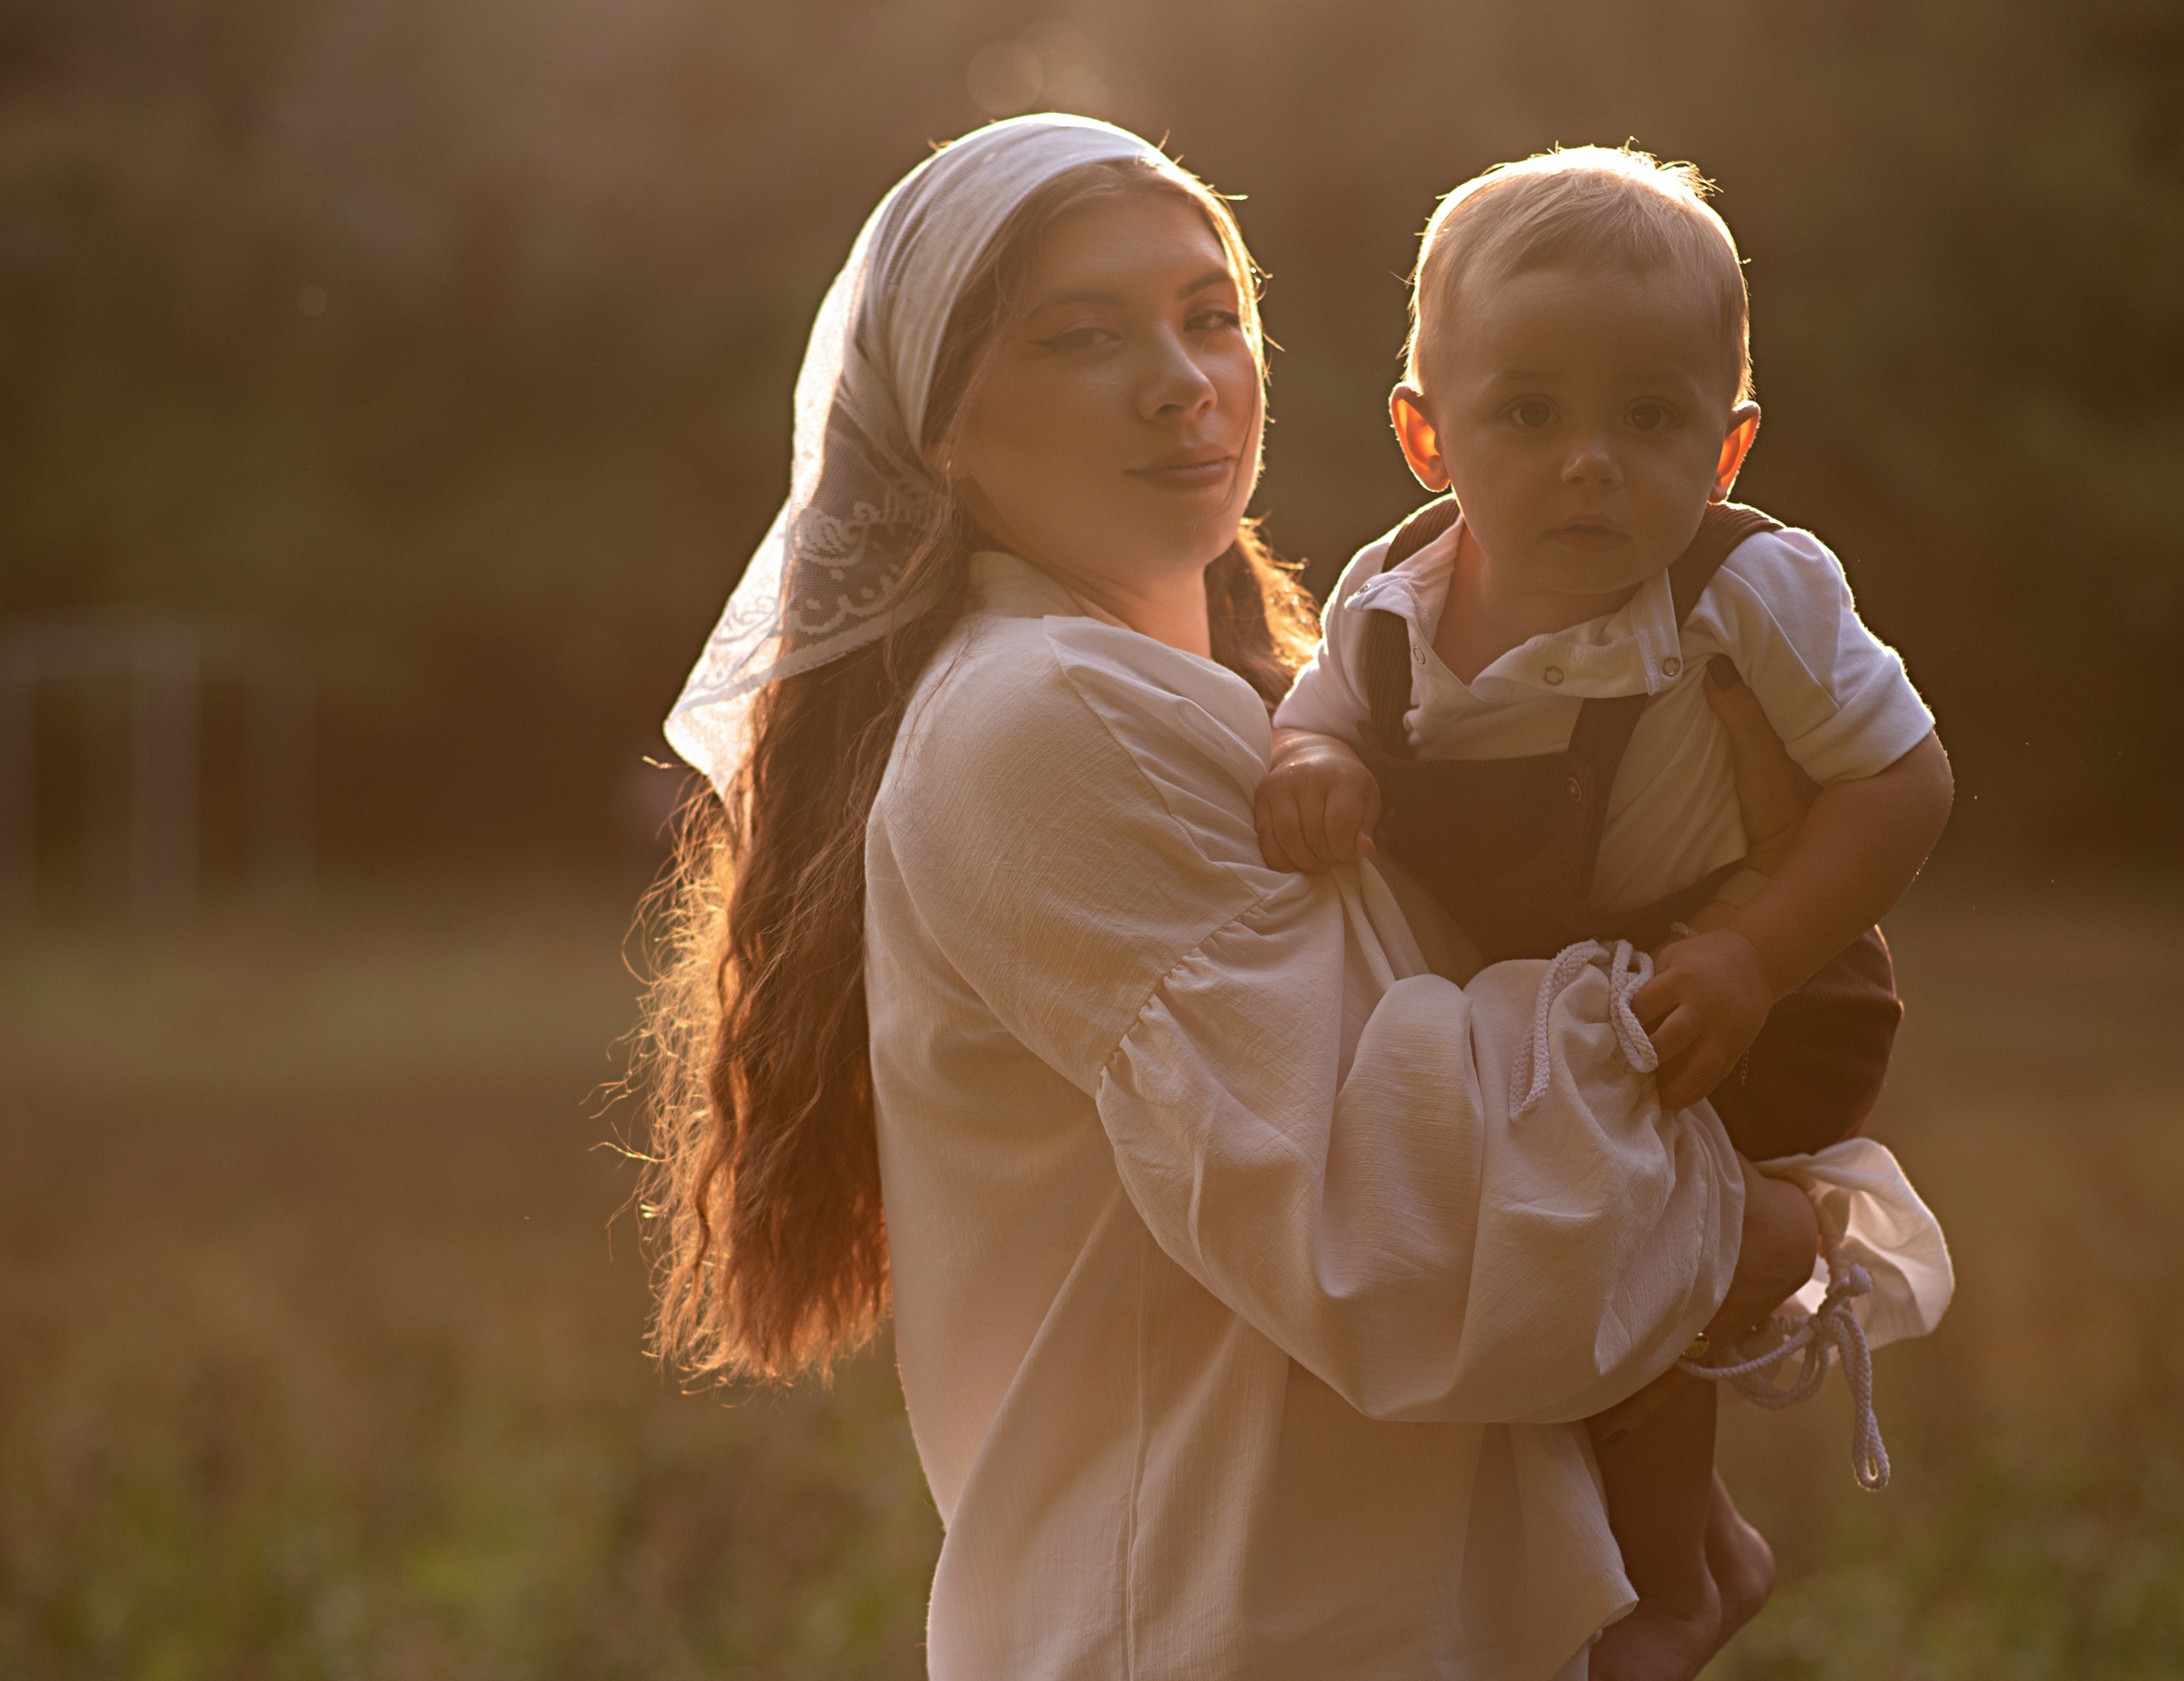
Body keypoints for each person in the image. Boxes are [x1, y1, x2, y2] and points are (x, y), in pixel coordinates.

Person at [639, 115, 1939, 1679]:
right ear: (945, 430)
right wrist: (1782, 1218)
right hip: (1222, 1626)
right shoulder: (1039, 712)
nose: (1184, 377)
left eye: (1210, 317)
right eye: (1083, 336)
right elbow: (1402, 1228)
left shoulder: (1254, 704)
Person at [1259, 147, 1954, 1678]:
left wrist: (1757, 951)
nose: (1591, 462)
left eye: (1650, 418)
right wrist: (1311, 761)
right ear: (1426, 434)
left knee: (1611, 1232)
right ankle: (1702, 1545)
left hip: (1742, 978)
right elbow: (1318, 717)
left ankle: (1673, 1584)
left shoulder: (1743, 587)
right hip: (1556, 997)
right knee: (1552, 1257)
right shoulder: (1385, 614)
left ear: (1727, 443)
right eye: (1531, 412)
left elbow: (1903, 783)